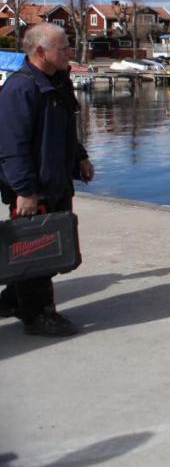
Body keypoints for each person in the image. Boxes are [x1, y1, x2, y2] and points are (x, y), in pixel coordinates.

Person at [0, 22, 93, 337]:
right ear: (41, 51)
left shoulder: (58, 82)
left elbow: (65, 126)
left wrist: (80, 156)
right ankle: (38, 315)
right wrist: (24, 190)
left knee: (55, 243)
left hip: (55, 179)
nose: (69, 52)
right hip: (32, 186)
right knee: (35, 250)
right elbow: (11, 146)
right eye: (63, 47)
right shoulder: (21, 88)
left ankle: (13, 299)